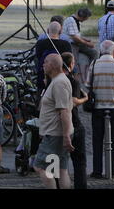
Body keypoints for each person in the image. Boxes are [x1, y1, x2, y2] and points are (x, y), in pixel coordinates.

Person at [87, 40, 114, 179]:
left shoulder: (94, 64)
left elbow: (88, 85)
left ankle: (97, 171)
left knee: (97, 140)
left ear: (101, 50)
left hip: (98, 107)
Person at [34, 54, 74, 189]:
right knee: (59, 169)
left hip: (55, 135)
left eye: (45, 62)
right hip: (55, 133)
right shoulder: (56, 81)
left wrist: (66, 136)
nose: (42, 65)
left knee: (41, 167)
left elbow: (64, 111)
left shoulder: (59, 83)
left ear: (52, 65)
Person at [61, 52, 88, 189]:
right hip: (73, 124)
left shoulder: (52, 80)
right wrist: (85, 98)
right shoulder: (72, 82)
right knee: (79, 161)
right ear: (71, 64)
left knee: (56, 161)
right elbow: (73, 102)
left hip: (56, 126)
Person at [62, 8, 98, 82]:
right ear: (82, 17)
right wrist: (87, 44)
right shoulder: (71, 20)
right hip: (72, 44)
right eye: (86, 18)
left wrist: (85, 39)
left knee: (94, 52)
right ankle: (74, 78)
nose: (86, 20)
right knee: (74, 62)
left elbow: (76, 35)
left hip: (76, 42)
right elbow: (74, 37)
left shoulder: (75, 21)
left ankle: (92, 70)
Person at [35, 21, 72, 92]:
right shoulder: (66, 45)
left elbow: (38, 58)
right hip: (61, 79)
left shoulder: (40, 43)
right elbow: (69, 61)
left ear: (47, 31)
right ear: (60, 32)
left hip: (42, 78)